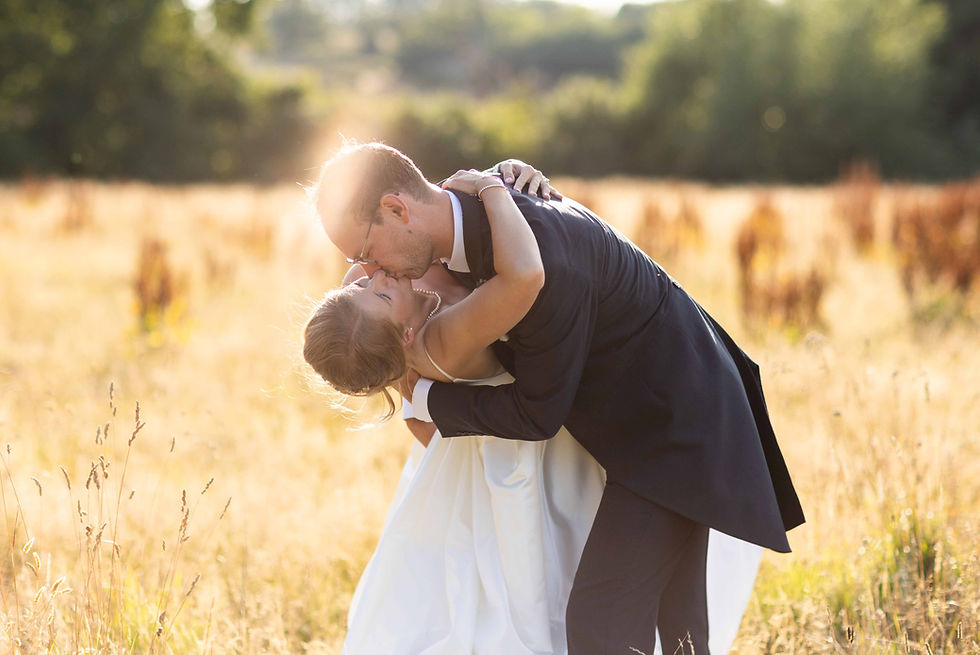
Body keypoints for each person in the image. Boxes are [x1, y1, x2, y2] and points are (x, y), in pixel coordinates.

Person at [311, 142, 803, 654]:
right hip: (617, 435)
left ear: (396, 209)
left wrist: (429, 401)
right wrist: (493, 184)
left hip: (676, 427)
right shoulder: (457, 239)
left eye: (366, 252)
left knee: (603, 625)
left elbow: (536, 405)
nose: (367, 271)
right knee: (671, 626)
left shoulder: (524, 247)